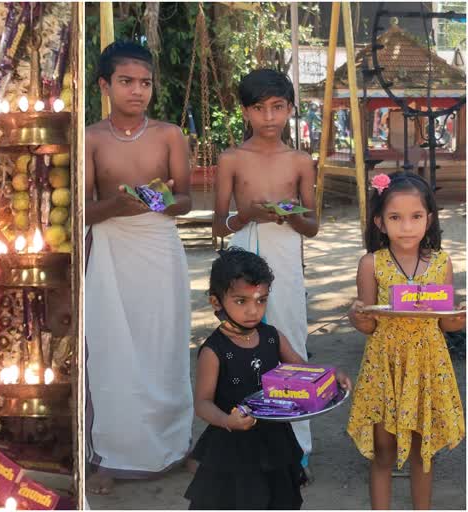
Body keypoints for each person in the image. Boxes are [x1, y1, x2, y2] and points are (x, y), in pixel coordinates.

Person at [85, 40, 193, 495]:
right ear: (104, 85)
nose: (138, 91)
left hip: (159, 248)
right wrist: (116, 204)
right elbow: (85, 213)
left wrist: (157, 199)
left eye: (145, 82)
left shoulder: (170, 134)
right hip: (109, 251)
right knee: (111, 354)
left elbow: (184, 202)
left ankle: (174, 448)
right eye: (127, 82)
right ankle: (111, 455)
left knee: (164, 349)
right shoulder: (89, 137)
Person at [185, 248, 351, 509]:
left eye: (261, 300)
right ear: (217, 302)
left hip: (275, 440)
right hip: (233, 446)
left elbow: (302, 368)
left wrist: (331, 373)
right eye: (241, 301)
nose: (253, 310)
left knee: (279, 499)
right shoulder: (213, 351)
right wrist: (227, 420)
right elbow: (202, 403)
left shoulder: (272, 336)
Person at [212, 68, 318, 477]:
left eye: (277, 107)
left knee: (289, 340)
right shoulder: (232, 160)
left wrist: (289, 216)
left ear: (290, 109)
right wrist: (248, 216)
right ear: (246, 112)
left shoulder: (300, 161)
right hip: (242, 260)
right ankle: (244, 442)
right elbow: (219, 226)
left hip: (287, 259)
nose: (269, 117)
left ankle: (298, 449)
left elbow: (313, 225)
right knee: (241, 347)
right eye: (259, 108)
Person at [347, 172, 465, 510]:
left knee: (421, 451)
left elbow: (446, 324)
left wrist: (458, 319)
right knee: (383, 450)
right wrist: (359, 316)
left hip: (427, 366)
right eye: (395, 217)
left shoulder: (442, 263)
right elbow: (368, 324)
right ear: (380, 222)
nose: (407, 226)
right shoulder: (371, 264)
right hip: (385, 366)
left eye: (416, 216)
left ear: (429, 219)